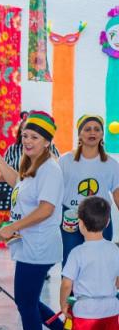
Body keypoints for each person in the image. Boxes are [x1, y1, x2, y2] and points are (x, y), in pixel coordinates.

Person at [0, 111, 66, 330]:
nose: (28, 141)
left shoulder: (50, 169)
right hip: (29, 243)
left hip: (39, 246)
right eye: (25, 136)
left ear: (46, 141)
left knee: (25, 302)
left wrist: (13, 227)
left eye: (34, 137)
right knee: (27, 300)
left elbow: (46, 209)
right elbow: (17, 184)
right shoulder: (30, 163)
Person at [60, 196, 119, 330]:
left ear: (81, 224)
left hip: (86, 313)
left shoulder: (78, 253)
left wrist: (64, 304)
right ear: (106, 222)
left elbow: (67, 283)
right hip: (111, 310)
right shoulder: (114, 250)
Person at [59, 114, 119, 266]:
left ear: (101, 134)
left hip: (101, 218)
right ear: (79, 134)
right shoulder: (65, 160)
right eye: (87, 129)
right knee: (70, 261)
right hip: (71, 217)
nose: (92, 132)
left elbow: (117, 194)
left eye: (97, 129)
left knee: (101, 263)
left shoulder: (111, 164)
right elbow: (54, 191)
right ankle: (71, 291)